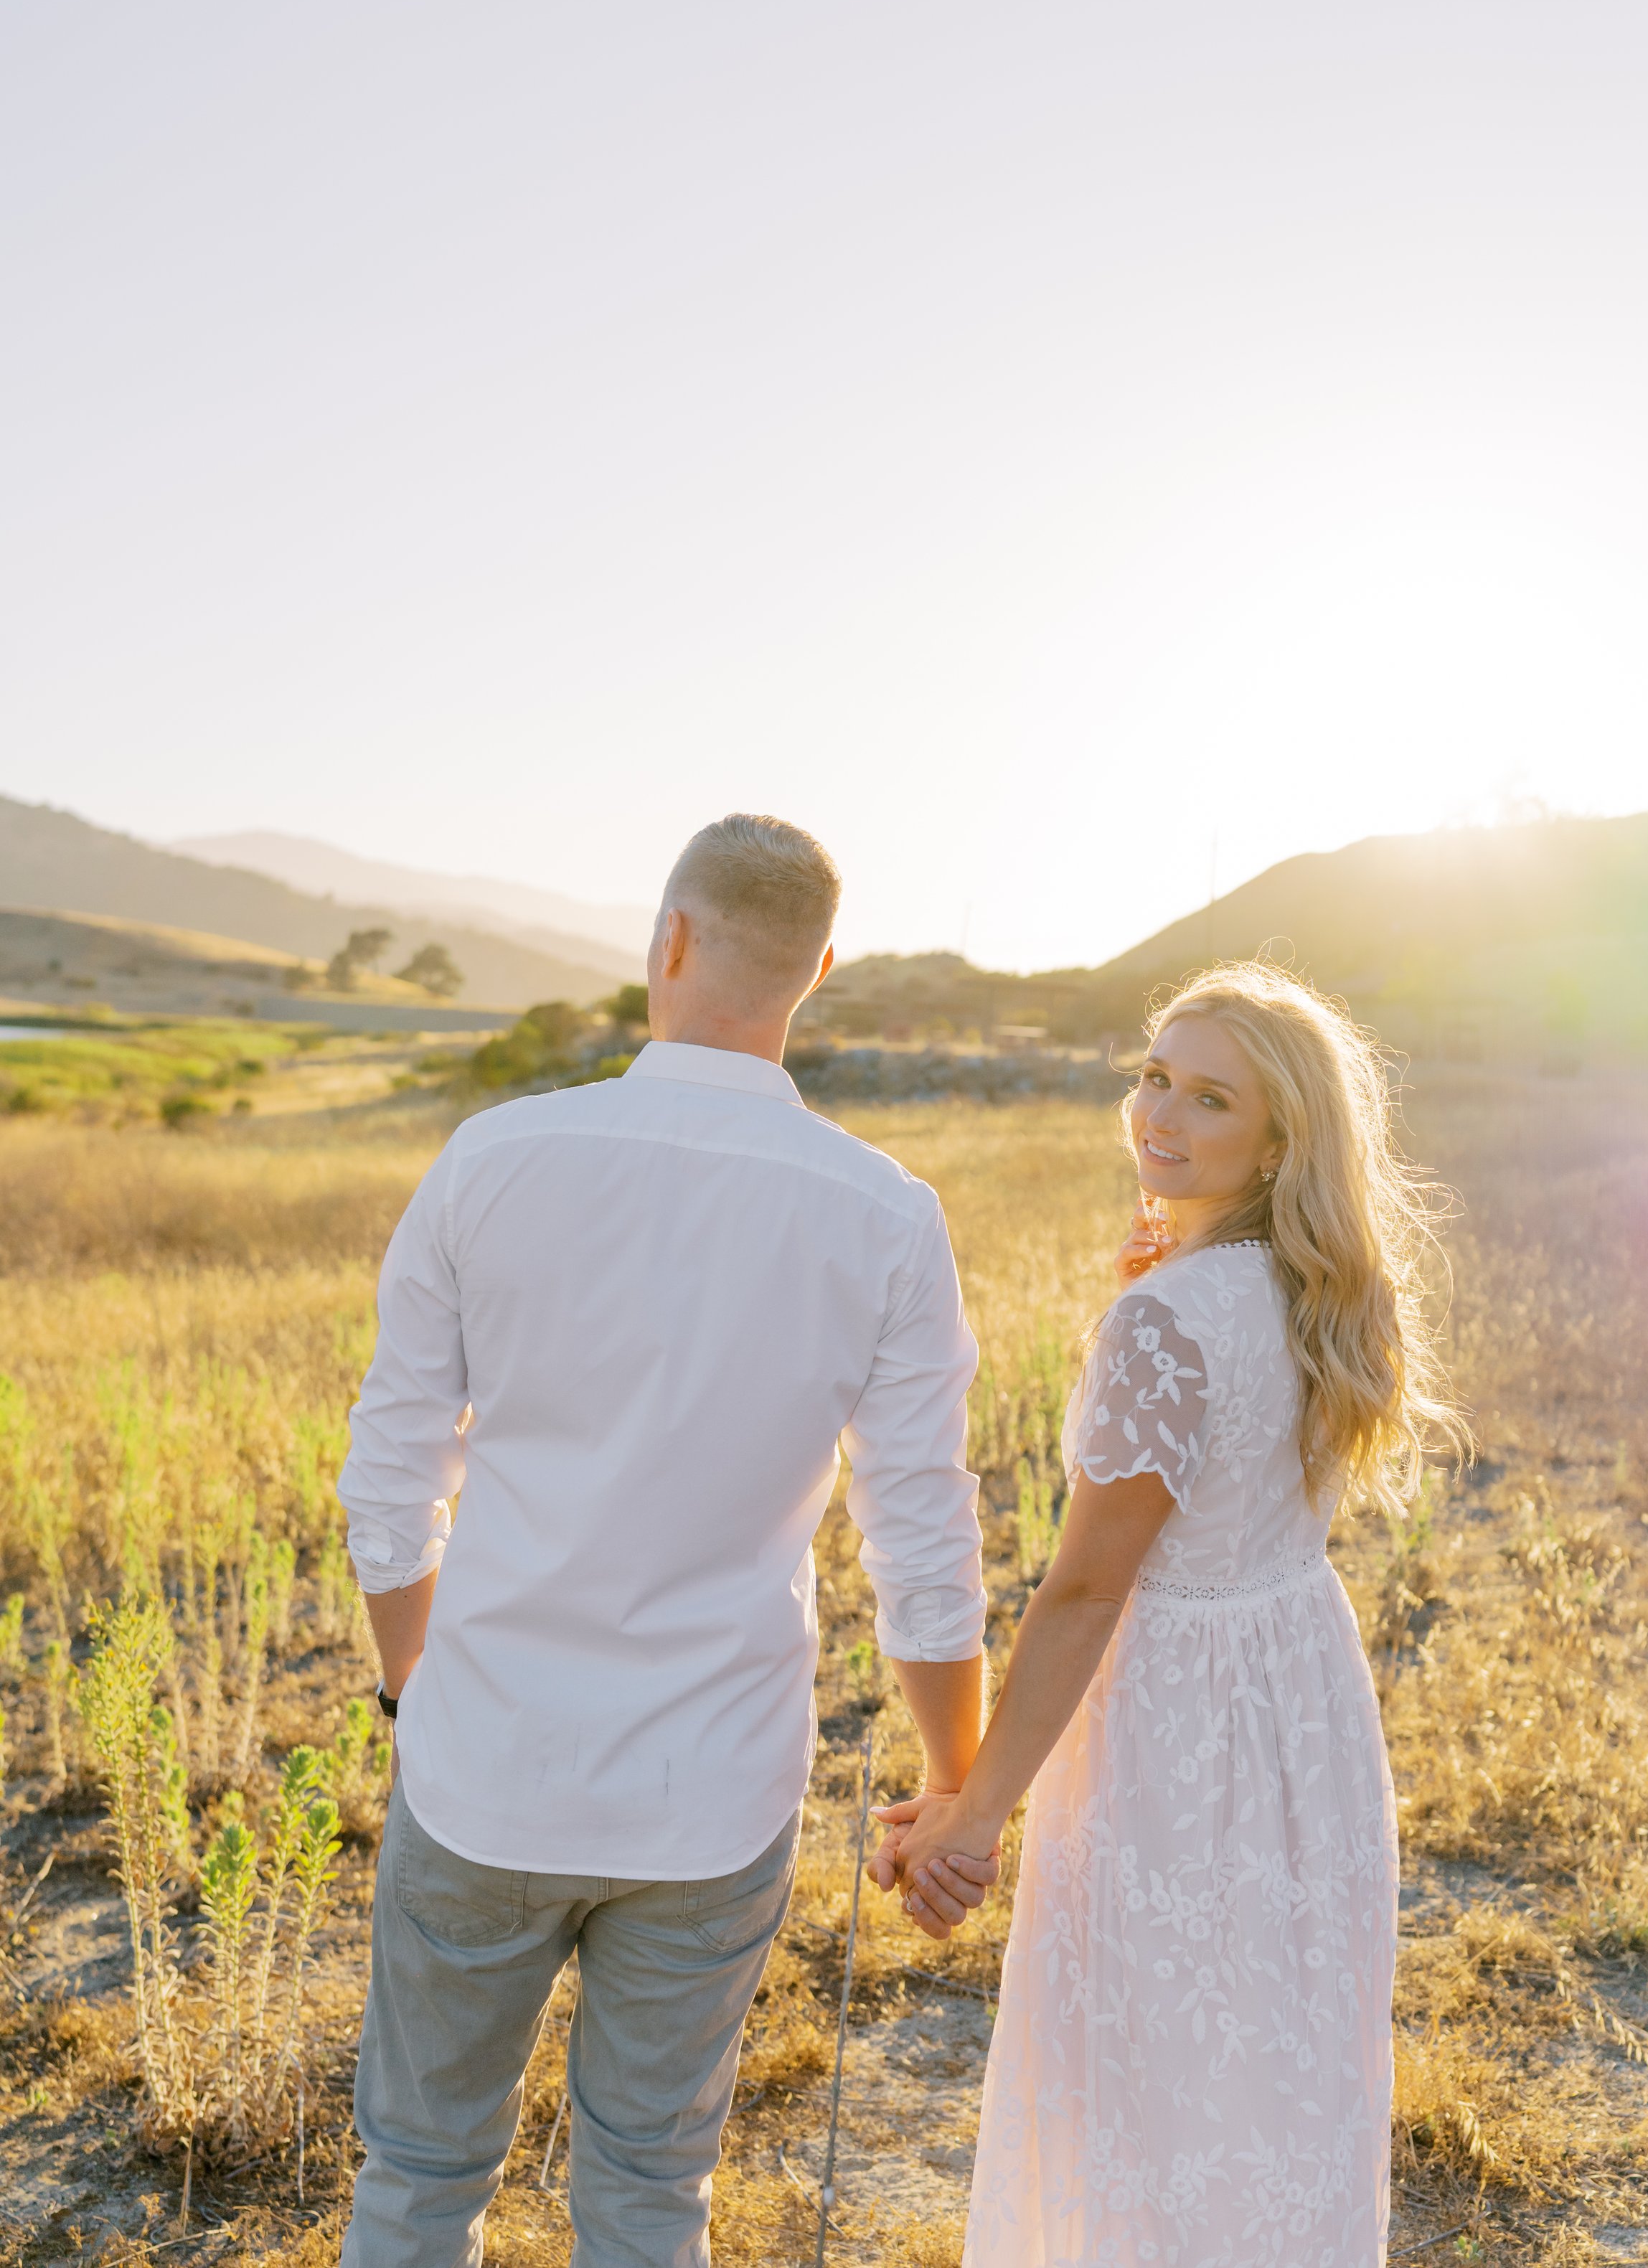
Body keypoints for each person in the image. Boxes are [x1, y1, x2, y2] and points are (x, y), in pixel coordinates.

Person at [336, 814, 992, 2268]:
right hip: (713, 1791)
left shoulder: (493, 1156)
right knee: (647, 2193)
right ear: (816, 969)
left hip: (485, 1767)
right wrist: (955, 1785)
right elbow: (925, 1542)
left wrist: (414, 1689)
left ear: (669, 939)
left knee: (419, 2179)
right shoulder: (886, 1215)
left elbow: (390, 1480)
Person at [875, 960, 1463, 2267]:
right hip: (1300, 1699)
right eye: (1155, 1077)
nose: (1163, 1115)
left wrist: (971, 1815)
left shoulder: (1166, 1319)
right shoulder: (1318, 1290)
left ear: (1277, 1139)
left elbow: (1088, 1589)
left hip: (1179, 1725)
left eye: (1210, 1098)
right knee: (1276, 2074)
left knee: (1140, 2087)